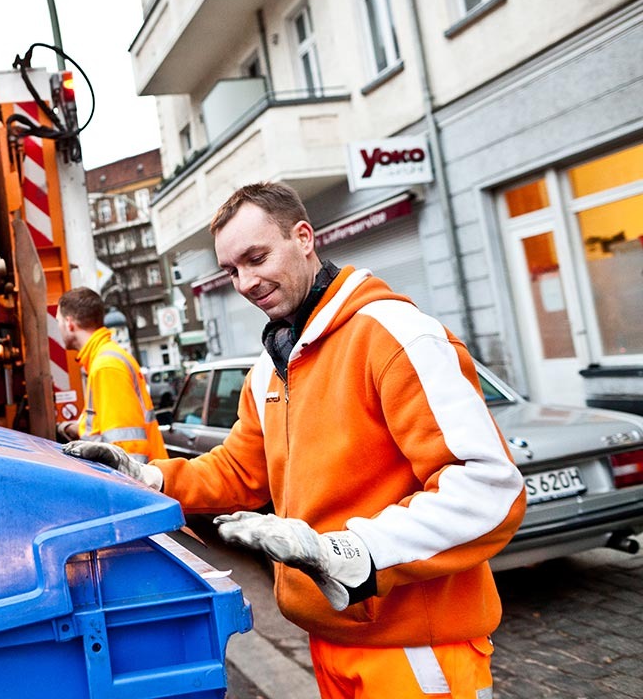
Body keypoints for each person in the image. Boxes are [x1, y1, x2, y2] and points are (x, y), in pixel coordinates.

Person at [64, 182, 525, 698]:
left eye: (256, 258)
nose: (245, 282)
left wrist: (356, 552)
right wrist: (148, 476)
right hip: (329, 637)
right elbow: (239, 472)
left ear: (304, 237)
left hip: (416, 648)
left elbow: (488, 487)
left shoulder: (393, 335)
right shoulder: (270, 370)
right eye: (231, 270)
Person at [55, 287, 168, 463]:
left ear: (69, 323)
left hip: (138, 486)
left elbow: (128, 447)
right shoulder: (105, 359)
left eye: (58, 322)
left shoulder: (106, 366)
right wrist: (69, 428)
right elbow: (104, 427)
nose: (59, 329)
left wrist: (129, 489)